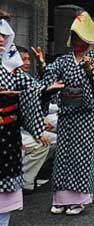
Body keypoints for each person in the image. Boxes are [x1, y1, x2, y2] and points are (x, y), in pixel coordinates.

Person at [0, 13, 59, 226]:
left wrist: (46, 89)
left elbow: (33, 91)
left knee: (5, 194)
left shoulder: (13, 71)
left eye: (4, 36)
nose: (1, 40)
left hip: (8, 137)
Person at [43, 11, 94, 216]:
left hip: (88, 115)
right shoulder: (63, 61)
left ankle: (79, 199)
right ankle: (60, 198)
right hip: (67, 112)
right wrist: (46, 70)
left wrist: (90, 70)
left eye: (82, 39)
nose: (79, 43)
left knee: (83, 155)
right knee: (64, 154)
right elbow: (50, 77)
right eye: (76, 39)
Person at [16, 47, 51, 193]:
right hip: (11, 130)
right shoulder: (11, 77)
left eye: (28, 59)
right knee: (41, 143)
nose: (27, 62)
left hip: (20, 128)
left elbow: (38, 94)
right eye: (23, 59)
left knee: (51, 140)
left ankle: (32, 177)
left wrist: (42, 65)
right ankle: (21, 180)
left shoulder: (24, 77)